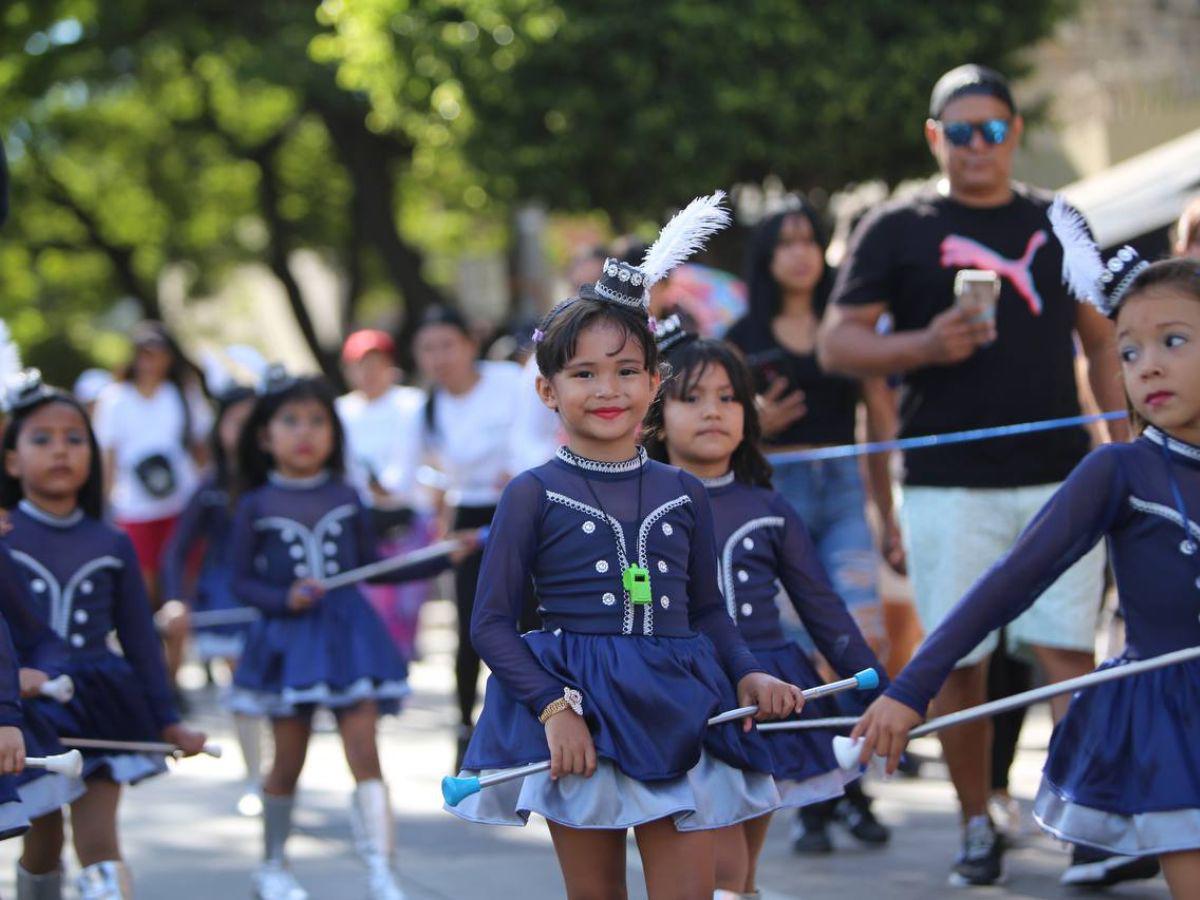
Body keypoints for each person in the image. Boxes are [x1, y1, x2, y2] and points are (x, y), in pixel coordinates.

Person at [817, 64, 1128, 886]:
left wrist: (1123, 444)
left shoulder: (1057, 219)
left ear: (1015, 132)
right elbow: (837, 345)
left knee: (1068, 652)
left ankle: (1085, 824)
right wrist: (924, 345)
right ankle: (974, 822)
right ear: (935, 138)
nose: (977, 145)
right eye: (960, 131)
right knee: (958, 662)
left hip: (1061, 474)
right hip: (946, 478)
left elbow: (1101, 339)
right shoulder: (897, 225)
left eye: (992, 129)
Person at [447, 195, 807, 899]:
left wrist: (746, 674)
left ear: (653, 382)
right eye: (583, 374)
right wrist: (553, 710)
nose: (606, 390)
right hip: (579, 708)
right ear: (547, 389)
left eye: (624, 371)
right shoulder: (531, 493)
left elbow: (706, 613)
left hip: (679, 702)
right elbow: (491, 624)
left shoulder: (682, 491)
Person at [852, 237, 1200, 898]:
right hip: (1176, 728)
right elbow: (1007, 585)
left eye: (1173, 342)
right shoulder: (1119, 470)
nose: (1147, 366)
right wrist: (911, 688)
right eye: (1129, 351)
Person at [643, 321, 885, 897]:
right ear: (655, 415)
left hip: (768, 696)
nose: (713, 411)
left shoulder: (770, 507)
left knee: (742, 871)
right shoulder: (640, 504)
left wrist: (886, 693)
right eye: (692, 398)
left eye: (729, 398)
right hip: (686, 697)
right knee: (720, 866)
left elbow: (823, 607)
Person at [227, 367, 460, 900]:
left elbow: (371, 568)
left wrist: (438, 556)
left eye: (316, 421)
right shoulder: (255, 504)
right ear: (265, 436)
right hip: (289, 643)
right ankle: (273, 865)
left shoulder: (346, 495)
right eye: (290, 421)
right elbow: (240, 581)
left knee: (365, 752)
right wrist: (281, 597)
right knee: (287, 760)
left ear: (334, 432)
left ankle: (382, 869)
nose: (304, 432)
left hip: (350, 638)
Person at [726, 204, 898, 853]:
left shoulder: (844, 326)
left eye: (809, 241)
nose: (800, 253)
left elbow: (879, 417)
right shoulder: (743, 333)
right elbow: (715, 429)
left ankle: (852, 788)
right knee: (801, 650)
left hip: (845, 490)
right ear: (765, 257)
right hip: (777, 494)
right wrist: (754, 425)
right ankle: (824, 799)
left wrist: (888, 513)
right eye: (785, 242)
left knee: (859, 637)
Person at [0, 370, 207, 899]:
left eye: (75, 438)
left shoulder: (111, 542)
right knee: (42, 843)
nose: (61, 450)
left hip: (98, 702)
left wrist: (168, 719)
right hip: (25, 711)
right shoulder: (4, 534)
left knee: (99, 838)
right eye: (41, 439)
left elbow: (139, 639)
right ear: (11, 459)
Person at [411, 306, 531, 769]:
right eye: (428, 348)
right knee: (474, 625)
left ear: (469, 343)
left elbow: (536, 435)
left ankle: (531, 721)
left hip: (521, 504)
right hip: (470, 518)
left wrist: (521, 471)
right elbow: (430, 480)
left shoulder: (509, 381)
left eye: (447, 344)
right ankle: (466, 728)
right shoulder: (428, 407)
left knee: (526, 619)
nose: (439, 357)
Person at [160, 374, 262, 816]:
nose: (243, 431)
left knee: (276, 691)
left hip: (277, 599)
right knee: (244, 687)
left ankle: (271, 775)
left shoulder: (281, 483)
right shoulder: (210, 485)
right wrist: (174, 598)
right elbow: (176, 550)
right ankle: (257, 775)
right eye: (235, 422)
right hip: (225, 598)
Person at [92, 322, 212, 604]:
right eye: (144, 353)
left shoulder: (183, 393)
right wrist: (103, 505)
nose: (150, 361)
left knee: (185, 578)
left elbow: (200, 448)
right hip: (135, 506)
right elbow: (108, 457)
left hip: (181, 500)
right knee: (143, 584)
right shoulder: (114, 399)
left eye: (157, 353)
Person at [336, 329, 434, 661]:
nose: (368, 372)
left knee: (406, 606)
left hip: (408, 516)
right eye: (360, 364)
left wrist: (388, 487)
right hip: (364, 520)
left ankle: (399, 664)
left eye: (376, 363)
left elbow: (408, 459)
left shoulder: (411, 404)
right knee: (373, 602)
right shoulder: (341, 411)